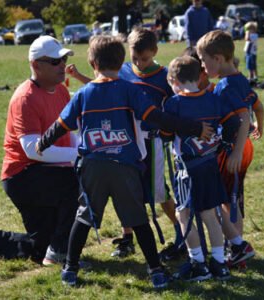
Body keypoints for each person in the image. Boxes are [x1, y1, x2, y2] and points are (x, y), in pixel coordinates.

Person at [36, 35, 213, 288]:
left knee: (84, 217)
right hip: (124, 166)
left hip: (93, 166)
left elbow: (61, 125)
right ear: (121, 63)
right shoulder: (131, 90)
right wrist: (194, 128)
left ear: (93, 63)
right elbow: (159, 118)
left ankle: (70, 269)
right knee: (138, 219)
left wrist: (42, 143)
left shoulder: (84, 94)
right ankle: (155, 271)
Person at [65, 28, 191, 261]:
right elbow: (101, 87)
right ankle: (127, 239)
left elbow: (177, 103)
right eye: (135, 58)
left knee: (157, 191)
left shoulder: (164, 77)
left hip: (152, 142)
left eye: (144, 58)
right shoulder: (122, 70)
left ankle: (182, 232)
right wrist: (81, 78)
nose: (140, 64)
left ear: (155, 51)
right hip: (125, 141)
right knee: (124, 191)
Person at [0, 36, 81, 266]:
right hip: (24, 175)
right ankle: (60, 252)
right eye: (56, 61)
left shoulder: (62, 91)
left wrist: (81, 150)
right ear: (36, 65)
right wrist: (79, 156)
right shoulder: (25, 98)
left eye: (63, 59)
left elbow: (68, 134)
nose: (62, 65)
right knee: (75, 183)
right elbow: (33, 151)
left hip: (44, 172)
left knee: (38, 247)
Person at [163, 56, 238, 281]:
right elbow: (234, 122)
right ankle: (219, 262)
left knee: (183, 214)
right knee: (209, 214)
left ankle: (198, 263)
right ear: (199, 76)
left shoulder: (173, 103)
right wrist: (222, 142)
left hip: (187, 170)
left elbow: (166, 134)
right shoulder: (213, 98)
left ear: (174, 80)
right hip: (209, 164)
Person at [197, 30, 263, 267]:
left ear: (218, 58)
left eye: (204, 61)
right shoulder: (239, 78)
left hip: (235, 150)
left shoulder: (225, 86)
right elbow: (258, 106)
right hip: (241, 145)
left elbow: (245, 117)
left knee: (230, 201)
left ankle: (237, 250)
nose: (203, 67)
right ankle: (235, 247)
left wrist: (235, 150)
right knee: (232, 199)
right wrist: (260, 126)